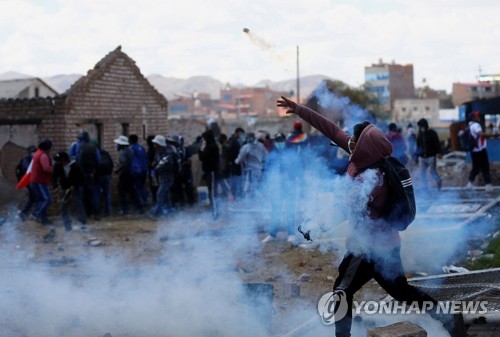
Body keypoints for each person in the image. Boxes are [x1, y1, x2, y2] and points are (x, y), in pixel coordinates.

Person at [276, 96, 466, 337]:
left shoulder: (373, 178)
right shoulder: (365, 157)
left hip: (366, 250)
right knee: (401, 291)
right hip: (387, 246)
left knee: (342, 291)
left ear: (364, 146)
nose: (348, 142)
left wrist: (316, 226)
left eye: (354, 140)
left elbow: (345, 209)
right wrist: (300, 110)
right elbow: (332, 130)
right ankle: (445, 317)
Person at [261, 132, 298, 243]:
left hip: (289, 186)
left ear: (284, 141)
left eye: (281, 141)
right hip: (276, 186)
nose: (280, 143)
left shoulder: (290, 154)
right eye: (278, 141)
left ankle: (291, 234)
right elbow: (267, 170)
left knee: (290, 210)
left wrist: (290, 176)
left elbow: (296, 169)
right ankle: (272, 234)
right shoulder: (272, 155)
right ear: (275, 142)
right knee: (275, 210)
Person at [52, 151, 86, 231]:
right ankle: (67, 225)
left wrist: (74, 186)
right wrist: (55, 186)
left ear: (64, 160)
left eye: (60, 160)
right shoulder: (58, 165)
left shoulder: (76, 166)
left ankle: (82, 223)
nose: (58, 162)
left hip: (76, 187)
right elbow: (54, 176)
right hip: (64, 187)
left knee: (78, 204)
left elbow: (82, 178)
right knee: (63, 206)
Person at [466, 111, 499, 191]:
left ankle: (470, 183)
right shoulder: (476, 125)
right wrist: (494, 135)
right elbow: (481, 134)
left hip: (474, 150)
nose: (478, 117)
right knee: (485, 167)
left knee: (476, 167)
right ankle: (488, 185)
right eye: (477, 116)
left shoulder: (469, 125)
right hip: (480, 150)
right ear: (473, 118)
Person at [114, 135, 144, 215]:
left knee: (122, 193)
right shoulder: (130, 150)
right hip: (131, 174)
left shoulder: (123, 152)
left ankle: (125, 209)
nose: (117, 145)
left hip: (125, 175)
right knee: (132, 192)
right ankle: (140, 207)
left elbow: (124, 164)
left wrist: (117, 170)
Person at [150, 135, 178, 218]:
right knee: (165, 195)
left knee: (160, 194)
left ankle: (157, 212)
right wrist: (154, 163)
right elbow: (156, 161)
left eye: (155, 143)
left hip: (167, 177)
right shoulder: (158, 152)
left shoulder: (168, 153)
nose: (154, 144)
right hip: (161, 177)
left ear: (159, 144)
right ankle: (169, 211)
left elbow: (167, 165)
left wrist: (157, 167)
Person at [234, 132, 268, 199]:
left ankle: (251, 203)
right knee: (257, 186)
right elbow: (266, 156)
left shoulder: (246, 147)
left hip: (250, 171)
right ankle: (258, 202)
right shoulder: (261, 145)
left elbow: (240, 159)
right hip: (259, 170)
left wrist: (236, 161)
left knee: (248, 188)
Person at [30, 139, 54, 225]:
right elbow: (46, 168)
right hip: (39, 181)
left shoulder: (38, 153)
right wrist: (54, 169)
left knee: (41, 199)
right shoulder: (43, 155)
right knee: (47, 199)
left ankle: (43, 219)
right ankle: (36, 214)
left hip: (35, 180)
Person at [198, 129, 220, 218]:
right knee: (209, 191)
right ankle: (212, 210)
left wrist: (201, 149)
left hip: (212, 172)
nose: (203, 140)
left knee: (212, 193)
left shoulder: (212, 147)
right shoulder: (210, 146)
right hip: (208, 171)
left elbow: (202, 157)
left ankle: (215, 212)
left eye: (204, 138)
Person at [415, 118, 442, 190]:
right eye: (419, 127)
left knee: (432, 172)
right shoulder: (419, 135)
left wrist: (439, 152)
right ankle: (425, 187)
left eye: (421, 126)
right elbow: (418, 146)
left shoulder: (432, 133)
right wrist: (416, 156)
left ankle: (439, 183)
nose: (420, 128)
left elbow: (437, 143)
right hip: (422, 157)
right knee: (422, 173)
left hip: (431, 156)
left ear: (425, 125)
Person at [223, 127, 245, 200]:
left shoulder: (233, 140)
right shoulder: (233, 141)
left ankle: (236, 195)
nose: (241, 135)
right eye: (241, 134)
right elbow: (230, 152)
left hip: (235, 163)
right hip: (234, 164)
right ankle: (235, 196)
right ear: (237, 133)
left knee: (236, 180)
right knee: (235, 180)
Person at [16, 145, 37, 221]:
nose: (34, 153)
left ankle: (24, 212)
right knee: (36, 196)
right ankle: (35, 214)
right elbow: (27, 169)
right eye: (32, 152)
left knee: (33, 197)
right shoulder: (26, 160)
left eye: (35, 151)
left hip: (33, 181)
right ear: (29, 152)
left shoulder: (33, 159)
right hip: (29, 181)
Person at [128, 134, 149, 205]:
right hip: (144, 169)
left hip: (136, 171)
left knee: (137, 187)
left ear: (130, 140)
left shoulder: (131, 148)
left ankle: (140, 204)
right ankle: (145, 199)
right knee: (142, 186)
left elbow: (130, 159)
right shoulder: (141, 147)